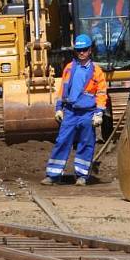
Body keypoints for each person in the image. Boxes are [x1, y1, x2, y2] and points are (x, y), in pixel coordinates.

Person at [42, 34, 107, 187]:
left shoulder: (97, 71)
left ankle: (82, 176)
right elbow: (62, 91)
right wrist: (59, 108)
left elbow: (102, 93)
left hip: (87, 112)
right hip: (70, 112)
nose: (81, 53)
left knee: (86, 143)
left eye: (84, 50)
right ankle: (53, 175)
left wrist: (99, 113)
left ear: (90, 50)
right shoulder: (69, 68)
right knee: (62, 141)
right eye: (78, 50)